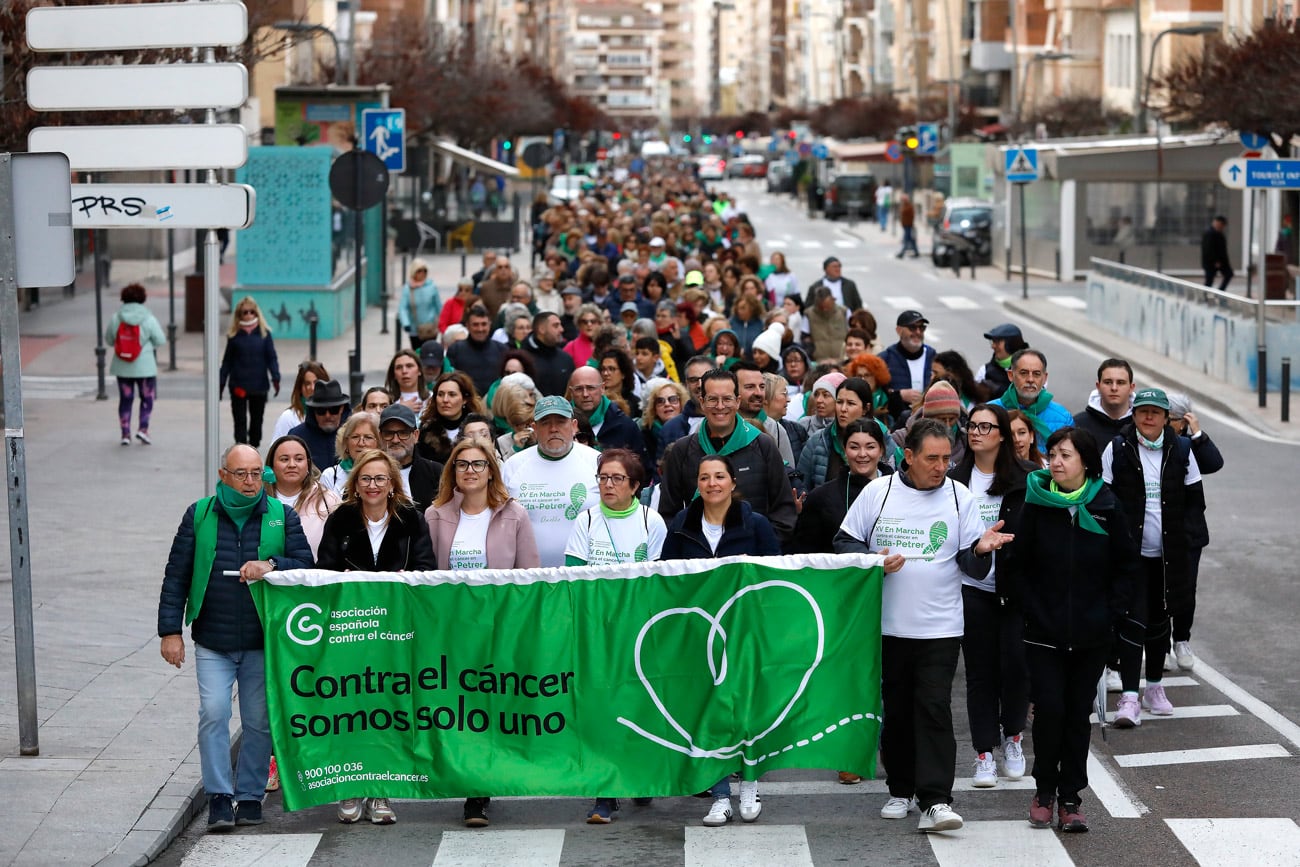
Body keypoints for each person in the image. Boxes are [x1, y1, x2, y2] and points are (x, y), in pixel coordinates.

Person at [835, 418, 1014, 834]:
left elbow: (971, 564)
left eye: (946, 458)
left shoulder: (959, 497)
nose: (941, 467)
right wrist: (874, 560)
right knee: (897, 710)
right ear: (908, 456)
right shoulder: (877, 493)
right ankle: (901, 789)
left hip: (940, 626)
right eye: (932, 458)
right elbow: (844, 541)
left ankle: (936, 800)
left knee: (933, 707)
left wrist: (981, 550)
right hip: (885, 626)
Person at [157, 444, 313, 831]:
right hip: (213, 639)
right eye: (241, 473)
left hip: (262, 641)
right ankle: (219, 797)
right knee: (214, 713)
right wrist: (170, 631)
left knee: (258, 721)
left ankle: (249, 796)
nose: (250, 481)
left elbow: (306, 565)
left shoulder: (281, 516)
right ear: (223, 475)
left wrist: (271, 565)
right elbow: (176, 574)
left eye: (257, 473)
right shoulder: (199, 514)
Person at [1004, 427, 1138, 832]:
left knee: (1078, 715)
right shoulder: (1035, 502)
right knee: (1050, 712)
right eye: (1053, 455)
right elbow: (1016, 564)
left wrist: (1109, 614)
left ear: (1086, 462)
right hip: (1042, 632)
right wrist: (1032, 609)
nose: (1056, 462)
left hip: (1091, 634)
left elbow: (1125, 566)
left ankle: (1071, 798)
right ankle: (1044, 791)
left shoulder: (1106, 505)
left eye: (1065, 455)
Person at [314, 448, 436, 825]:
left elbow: (426, 568)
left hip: (396, 632)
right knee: (351, 711)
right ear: (355, 484)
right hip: (351, 631)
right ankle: (350, 787)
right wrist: (346, 581)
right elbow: (324, 570)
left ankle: (381, 790)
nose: (373, 485)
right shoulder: (341, 519)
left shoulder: (412, 519)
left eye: (380, 478)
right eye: (365, 479)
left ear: (392, 484)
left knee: (388, 711)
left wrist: (404, 580)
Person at [424, 438, 539, 828]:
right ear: (452, 472)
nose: (470, 471)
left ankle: (481, 789)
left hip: (498, 630)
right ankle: (470, 783)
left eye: (477, 464)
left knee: (491, 709)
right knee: (462, 710)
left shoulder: (514, 514)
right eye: (462, 465)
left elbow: (529, 577)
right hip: (452, 632)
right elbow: (426, 576)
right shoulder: (435, 515)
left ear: (491, 471)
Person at [661, 453, 780, 827]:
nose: (712, 484)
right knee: (707, 713)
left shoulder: (755, 524)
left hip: (745, 633)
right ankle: (719, 795)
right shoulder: (682, 524)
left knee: (745, 712)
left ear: (732, 482)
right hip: (699, 635)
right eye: (704, 478)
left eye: (719, 477)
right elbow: (667, 576)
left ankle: (749, 784)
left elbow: (775, 574)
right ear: (697, 484)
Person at [1102, 388, 1204, 725]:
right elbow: (1104, 499)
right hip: (1130, 555)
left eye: (1156, 412)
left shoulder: (1182, 450)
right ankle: (1130, 697)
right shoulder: (1117, 448)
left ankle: (1155, 687)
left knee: (1160, 623)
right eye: (1143, 411)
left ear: (1165, 418)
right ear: (1134, 415)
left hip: (1168, 557)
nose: (1149, 417)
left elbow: (1195, 502)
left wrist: (1183, 542)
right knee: (1133, 622)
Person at [947, 404, 1031, 789]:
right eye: (972, 426)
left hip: (1016, 590)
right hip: (971, 588)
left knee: (1016, 667)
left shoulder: (1027, 478)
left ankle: (1013, 735)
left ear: (1002, 435)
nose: (976, 432)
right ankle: (984, 753)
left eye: (986, 426)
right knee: (980, 673)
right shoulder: (955, 480)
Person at [658, 368, 797, 542]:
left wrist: (764, 546)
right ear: (702, 402)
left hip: (752, 554)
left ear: (737, 401)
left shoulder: (763, 445)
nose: (720, 406)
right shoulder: (682, 450)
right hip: (699, 554)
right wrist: (690, 547)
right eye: (712, 399)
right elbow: (668, 513)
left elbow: (783, 510)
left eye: (727, 399)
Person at [500, 396, 601, 567]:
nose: (554, 429)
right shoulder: (513, 466)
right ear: (534, 428)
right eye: (545, 423)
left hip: (584, 575)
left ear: (574, 426)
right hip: (529, 576)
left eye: (561, 422)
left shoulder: (597, 462)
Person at [1166, 392, 1224, 671]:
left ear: (1183, 422)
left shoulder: (1190, 445)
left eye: (1172, 419)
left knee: (1186, 589)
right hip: (1156, 529)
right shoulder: (1148, 444)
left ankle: (1182, 640)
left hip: (1188, 531)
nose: (1166, 423)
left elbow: (1214, 462)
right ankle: (1160, 645)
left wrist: (1198, 433)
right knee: (1157, 590)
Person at [792, 418, 891, 556]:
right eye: (854, 447)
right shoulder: (820, 498)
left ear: (881, 450)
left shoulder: (900, 492)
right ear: (845, 450)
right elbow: (805, 554)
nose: (862, 454)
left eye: (870, 447)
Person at [107, 282, 166, 446]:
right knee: (147, 398)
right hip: (145, 367)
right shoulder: (149, 318)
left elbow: (109, 340)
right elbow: (160, 339)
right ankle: (143, 429)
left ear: (123, 298)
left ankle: (125, 434)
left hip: (122, 366)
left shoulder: (116, 318)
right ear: (142, 299)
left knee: (125, 399)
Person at [219, 298, 281, 448]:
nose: (248, 315)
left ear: (256, 313)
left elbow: (271, 358)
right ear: (239, 315)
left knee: (256, 422)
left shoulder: (264, 334)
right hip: (238, 386)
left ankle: (253, 448)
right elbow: (227, 362)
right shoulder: (234, 336)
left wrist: (275, 377)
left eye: (251, 312)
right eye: (244, 312)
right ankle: (241, 449)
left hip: (259, 386)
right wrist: (220, 383)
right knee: (239, 421)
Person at [264, 434, 339, 558]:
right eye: (284, 459)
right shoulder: (259, 500)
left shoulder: (329, 500)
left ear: (308, 464)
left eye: (299, 459)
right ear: (271, 465)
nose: (292, 464)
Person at [797, 377, 874, 490]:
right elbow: (801, 486)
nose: (843, 409)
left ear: (866, 409)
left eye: (850, 403)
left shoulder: (882, 439)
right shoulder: (818, 440)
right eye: (839, 402)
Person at [569, 366, 648, 470]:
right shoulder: (561, 425)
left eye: (591, 388)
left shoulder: (625, 426)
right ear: (571, 392)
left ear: (602, 388)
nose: (585, 394)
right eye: (579, 389)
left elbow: (641, 469)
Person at [995, 349, 1072, 453]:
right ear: (1011, 375)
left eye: (1036, 374)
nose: (1030, 379)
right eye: (1024, 373)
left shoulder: (1063, 418)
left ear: (1044, 378)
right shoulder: (991, 413)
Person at [377, 404, 444, 513]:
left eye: (403, 433)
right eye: (388, 433)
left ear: (416, 435)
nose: (395, 440)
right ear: (380, 437)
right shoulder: (369, 473)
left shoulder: (435, 472)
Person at [879, 310, 935, 422]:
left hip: (928, 418)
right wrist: (899, 395)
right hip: (896, 421)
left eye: (922, 328)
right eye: (912, 328)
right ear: (899, 330)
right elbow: (878, 395)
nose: (918, 332)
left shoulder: (932, 356)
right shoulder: (885, 359)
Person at [418, 371, 485, 465]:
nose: (445, 400)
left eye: (452, 394)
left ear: (464, 399)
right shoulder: (426, 429)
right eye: (440, 394)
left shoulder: (479, 428)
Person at [288, 380, 350, 471]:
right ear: (314, 410)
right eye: (321, 410)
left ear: (342, 409)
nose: (327, 415)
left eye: (334, 410)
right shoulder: (297, 436)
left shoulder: (354, 434)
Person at [1072, 358, 1135, 445]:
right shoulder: (1078, 425)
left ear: (1131, 388)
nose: (1114, 388)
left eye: (1120, 382)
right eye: (1108, 382)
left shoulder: (1142, 425)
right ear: (1098, 386)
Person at [318, 411, 381, 497]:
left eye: (368, 437)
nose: (361, 443)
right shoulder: (330, 476)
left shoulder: (389, 474)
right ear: (346, 443)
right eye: (355, 437)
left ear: (379, 443)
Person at [448, 305, 506, 396]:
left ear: (490, 324)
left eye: (484, 324)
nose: (480, 329)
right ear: (467, 326)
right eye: (475, 325)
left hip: (494, 401)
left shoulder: (502, 350)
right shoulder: (455, 350)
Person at [272, 362, 330, 441]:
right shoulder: (288, 417)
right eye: (307, 384)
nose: (312, 388)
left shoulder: (334, 415)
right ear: (300, 388)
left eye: (316, 383)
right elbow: (276, 447)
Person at [523, 311, 576, 396]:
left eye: (560, 325)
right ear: (541, 329)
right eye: (556, 326)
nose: (561, 329)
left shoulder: (566, 359)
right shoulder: (523, 358)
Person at [397, 258, 442, 349]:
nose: (422, 273)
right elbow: (403, 308)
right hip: (415, 329)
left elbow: (438, 306)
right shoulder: (408, 288)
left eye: (425, 271)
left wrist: (442, 322)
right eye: (419, 271)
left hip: (430, 328)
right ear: (414, 272)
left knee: (429, 350)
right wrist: (406, 323)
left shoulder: (432, 287)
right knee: (417, 352)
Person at [974, 324, 1025, 400]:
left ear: (1011, 344)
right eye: (992, 342)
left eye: (997, 342)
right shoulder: (984, 371)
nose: (993, 346)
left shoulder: (1032, 369)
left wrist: (999, 390)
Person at [1201, 215, 1232, 290]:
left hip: (1221, 261)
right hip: (1211, 262)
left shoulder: (1219, 233)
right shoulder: (1209, 233)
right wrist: (1215, 261)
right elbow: (1208, 249)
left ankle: (1220, 292)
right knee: (1209, 281)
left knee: (1228, 274)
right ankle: (1206, 295)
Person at [895, 193, 919, 258]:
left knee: (906, 239)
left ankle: (902, 253)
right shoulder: (905, 206)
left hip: (908, 225)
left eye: (902, 200)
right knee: (911, 239)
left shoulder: (908, 206)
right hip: (906, 225)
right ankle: (916, 252)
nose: (902, 201)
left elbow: (907, 213)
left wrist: (910, 223)